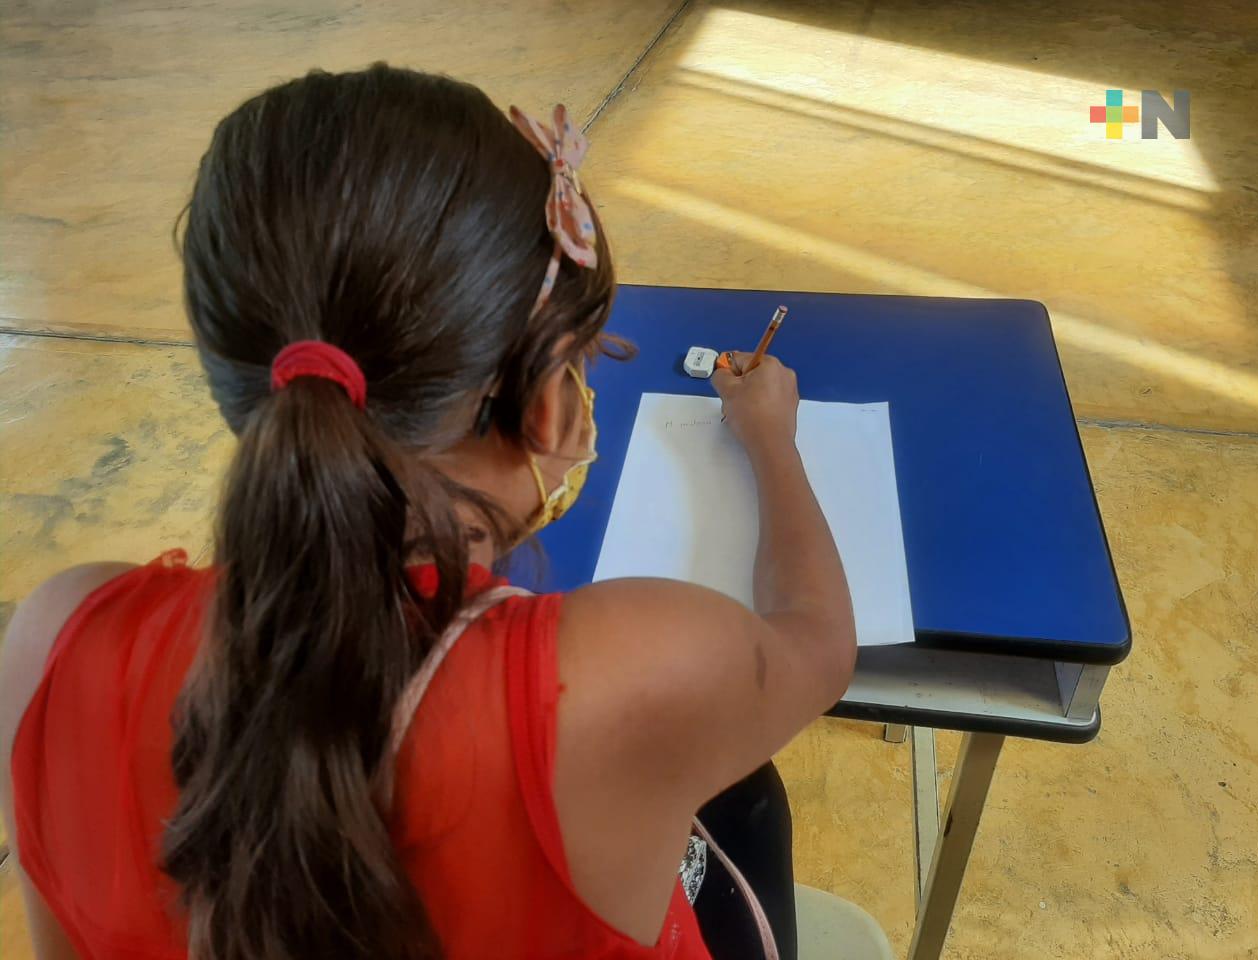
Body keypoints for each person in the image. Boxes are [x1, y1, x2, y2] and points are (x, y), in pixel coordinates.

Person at [0, 65, 856, 960]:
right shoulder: (631, 673)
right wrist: (773, 442)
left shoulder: (54, 642)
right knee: (747, 800)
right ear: (548, 408)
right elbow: (820, 644)